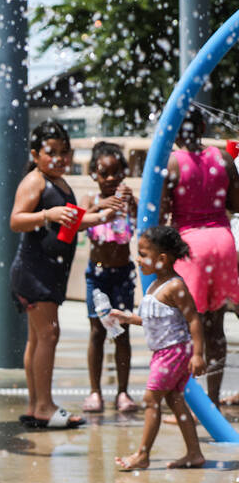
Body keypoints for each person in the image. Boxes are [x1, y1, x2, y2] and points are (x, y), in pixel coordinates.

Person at [9, 119, 124, 429]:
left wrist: (103, 214)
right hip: (34, 272)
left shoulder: (58, 181)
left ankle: (36, 406)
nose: (59, 158)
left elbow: (71, 222)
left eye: (65, 152)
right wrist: (47, 214)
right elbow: (16, 220)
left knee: (38, 337)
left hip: (45, 272)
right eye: (51, 152)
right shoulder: (35, 181)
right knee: (48, 335)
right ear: (36, 155)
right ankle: (44, 406)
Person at [160, 106, 239, 406]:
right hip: (222, 242)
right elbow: (236, 203)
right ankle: (214, 400)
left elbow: (164, 212)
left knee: (186, 326)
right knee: (215, 326)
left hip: (190, 246)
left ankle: (190, 406)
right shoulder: (222, 158)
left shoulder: (172, 163)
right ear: (203, 124)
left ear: (175, 130)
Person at [110, 226, 207, 471]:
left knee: (151, 399)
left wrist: (198, 354)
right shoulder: (154, 285)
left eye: (143, 254)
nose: (138, 259)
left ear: (162, 258)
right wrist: (128, 318)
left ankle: (143, 455)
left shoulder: (175, 286)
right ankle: (194, 453)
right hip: (164, 353)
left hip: (174, 351)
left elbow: (194, 319)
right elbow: (155, 319)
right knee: (174, 399)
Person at [83, 142, 140, 414]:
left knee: (123, 333)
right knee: (97, 332)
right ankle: (95, 391)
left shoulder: (128, 203)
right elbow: (80, 220)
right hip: (98, 274)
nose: (110, 179)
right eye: (104, 173)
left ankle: (123, 392)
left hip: (123, 274)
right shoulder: (90, 202)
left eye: (116, 173)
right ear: (94, 174)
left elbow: (145, 221)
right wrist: (102, 205)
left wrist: (134, 202)